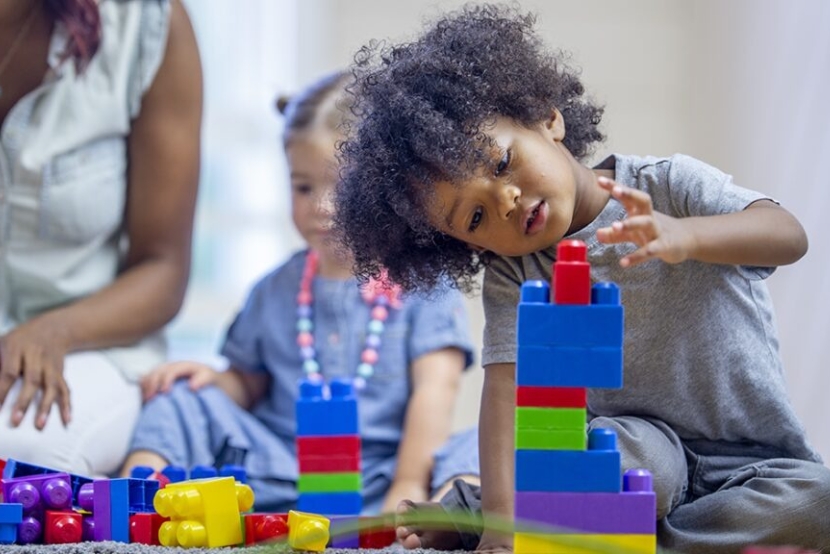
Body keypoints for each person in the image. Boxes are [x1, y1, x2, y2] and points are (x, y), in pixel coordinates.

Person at [332, 4, 830, 553]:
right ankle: (526, 516)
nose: (504, 200)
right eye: (474, 217)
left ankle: (604, 535)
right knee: (600, 465)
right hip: (630, 448)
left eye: (501, 164)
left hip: (751, 460)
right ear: (466, 245)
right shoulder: (515, 274)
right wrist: (501, 530)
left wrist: (685, 236)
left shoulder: (667, 187)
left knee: (817, 504)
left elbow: (788, 234)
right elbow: (504, 393)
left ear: (548, 119)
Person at [120, 71, 480, 515]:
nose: (322, 207)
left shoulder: (425, 284)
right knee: (179, 401)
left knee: (489, 440)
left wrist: (406, 482)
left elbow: (435, 393)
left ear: (390, 185)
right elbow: (248, 383)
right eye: (303, 187)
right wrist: (213, 383)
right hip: (282, 472)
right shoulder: (275, 289)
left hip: (385, 475)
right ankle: (132, 504)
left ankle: (441, 515)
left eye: (342, 186)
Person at [0, 0, 202, 477]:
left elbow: (164, 268)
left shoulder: (146, 24)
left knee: (28, 462)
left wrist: (53, 330)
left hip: (86, 345)